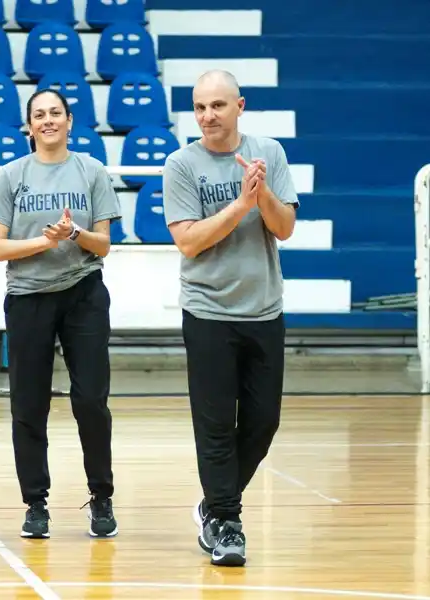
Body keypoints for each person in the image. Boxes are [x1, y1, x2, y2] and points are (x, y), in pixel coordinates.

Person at [161, 69, 298, 567]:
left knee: (263, 422)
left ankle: (213, 503)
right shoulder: (181, 164)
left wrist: (262, 194)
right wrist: (241, 204)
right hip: (208, 311)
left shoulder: (269, 153)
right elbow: (189, 241)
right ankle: (226, 522)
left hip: (264, 309)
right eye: (199, 107)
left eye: (217, 105)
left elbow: (284, 228)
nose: (207, 116)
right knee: (216, 424)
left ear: (240, 106)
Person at [0, 89, 121, 540]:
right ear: (29, 125)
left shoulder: (91, 170)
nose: (48, 120)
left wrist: (74, 232)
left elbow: (104, 245)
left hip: (84, 293)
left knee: (91, 400)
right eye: (39, 114)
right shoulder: (10, 175)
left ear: (69, 120)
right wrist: (46, 241)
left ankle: (101, 497)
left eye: (55, 113)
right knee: (29, 403)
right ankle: (35, 503)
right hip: (28, 297)